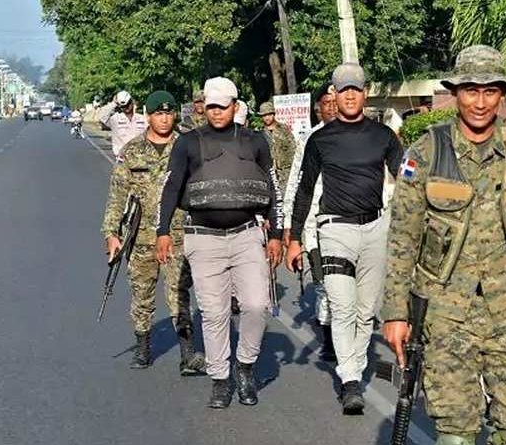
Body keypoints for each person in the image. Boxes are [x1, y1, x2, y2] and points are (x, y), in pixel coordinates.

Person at [381, 45, 506, 445]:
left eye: (490, 91)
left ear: (501, 93)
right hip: (445, 312)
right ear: (456, 92)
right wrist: (396, 312)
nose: (480, 102)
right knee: (455, 431)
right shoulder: (426, 152)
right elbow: (402, 238)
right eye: (470, 91)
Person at [156, 77, 283, 409]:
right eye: (210, 106)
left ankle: (245, 365)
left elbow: (273, 188)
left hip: (247, 235)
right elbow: (171, 188)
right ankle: (220, 379)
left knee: (257, 306)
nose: (215, 112)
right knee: (214, 313)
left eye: (221, 106)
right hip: (203, 239)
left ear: (235, 106)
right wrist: (162, 231)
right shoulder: (188, 144)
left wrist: (279, 235)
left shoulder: (256, 142)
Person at [286, 63, 403, 415]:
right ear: (334, 96)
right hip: (334, 229)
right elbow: (304, 190)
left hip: (375, 229)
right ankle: (350, 380)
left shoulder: (383, 136)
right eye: (343, 89)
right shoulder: (319, 139)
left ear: (365, 93)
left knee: (366, 312)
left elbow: (408, 179)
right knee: (342, 307)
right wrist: (293, 237)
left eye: (356, 89)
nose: (350, 95)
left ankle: (353, 363)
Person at [100, 90, 205, 375]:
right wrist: (111, 233)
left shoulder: (186, 147)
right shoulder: (132, 151)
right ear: (149, 116)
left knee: (179, 293)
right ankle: (143, 347)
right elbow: (117, 195)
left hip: (177, 234)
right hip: (140, 238)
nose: (164, 119)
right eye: (158, 113)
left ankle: (187, 353)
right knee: (142, 294)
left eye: (168, 113)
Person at [282, 82, 338, 362]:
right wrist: (290, 230)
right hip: (316, 226)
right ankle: (329, 338)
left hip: (351, 224)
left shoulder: (355, 136)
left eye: (335, 101)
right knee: (325, 284)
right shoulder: (308, 141)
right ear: (317, 109)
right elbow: (295, 185)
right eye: (325, 103)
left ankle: (347, 334)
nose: (331, 107)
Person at [97, 90, 148, 159]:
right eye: (123, 106)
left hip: (140, 159)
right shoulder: (115, 120)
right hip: (122, 160)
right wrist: (113, 103)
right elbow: (101, 116)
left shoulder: (142, 119)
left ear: (132, 102)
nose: (126, 107)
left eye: (128, 104)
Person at [258, 101, 297, 188]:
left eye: (269, 114)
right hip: (268, 173)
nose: (267, 117)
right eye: (264, 115)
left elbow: (293, 148)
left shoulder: (284, 130)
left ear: (273, 114)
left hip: (285, 173)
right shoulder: (259, 133)